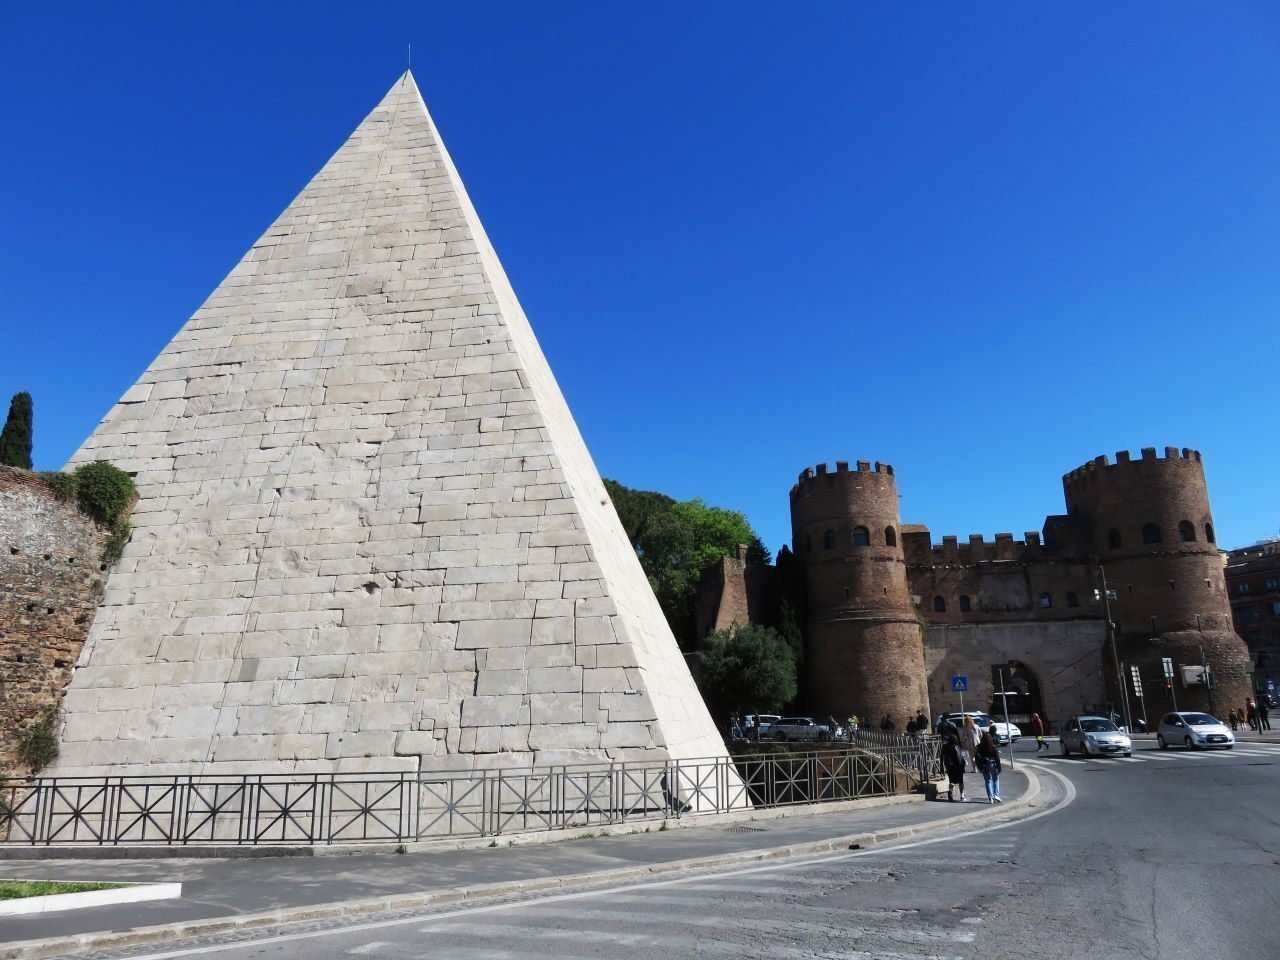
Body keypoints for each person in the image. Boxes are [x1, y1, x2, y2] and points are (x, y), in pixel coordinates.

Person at [975, 730, 1002, 804]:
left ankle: (990, 798)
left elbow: (977, 757)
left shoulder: (979, 746)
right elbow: (997, 758)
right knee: (995, 779)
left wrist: (979, 767)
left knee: (987, 781)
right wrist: (999, 767)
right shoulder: (992, 746)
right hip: (992, 764)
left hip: (984, 765)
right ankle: (996, 795)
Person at [941, 731, 966, 802]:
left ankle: (950, 792)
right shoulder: (955, 747)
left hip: (949, 767)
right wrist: (963, 765)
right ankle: (962, 796)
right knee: (961, 781)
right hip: (957, 767)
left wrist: (943, 767)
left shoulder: (945, 747)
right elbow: (959, 758)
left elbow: (942, 757)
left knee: (951, 781)